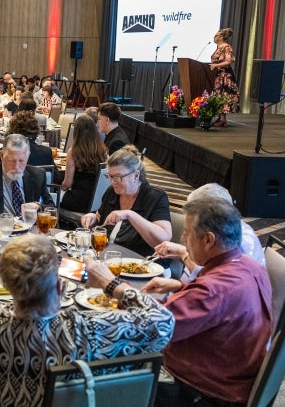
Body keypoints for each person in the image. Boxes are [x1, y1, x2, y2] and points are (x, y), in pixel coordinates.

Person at [0, 234, 174, 406]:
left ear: (6, 286)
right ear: (59, 287)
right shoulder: (85, 331)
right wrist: (110, 282)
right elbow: (164, 321)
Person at [142, 199, 271, 406]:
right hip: (236, 376)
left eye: (187, 232)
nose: (183, 238)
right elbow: (222, 308)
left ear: (208, 240)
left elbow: (152, 328)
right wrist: (181, 287)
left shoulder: (214, 288)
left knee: (107, 382)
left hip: (205, 392)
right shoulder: (249, 264)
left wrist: (114, 287)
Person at [151, 183, 265, 282]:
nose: (182, 238)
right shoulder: (223, 230)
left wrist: (183, 253)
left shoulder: (236, 244)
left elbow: (208, 280)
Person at [81, 145, 171, 257]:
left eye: (118, 177)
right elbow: (100, 217)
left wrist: (130, 215)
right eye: (110, 176)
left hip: (143, 264)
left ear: (136, 176)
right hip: (110, 258)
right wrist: (92, 217)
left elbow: (164, 238)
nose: (113, 182)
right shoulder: (113, 192)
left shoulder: (155, 197)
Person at [60, 114, 107, 212]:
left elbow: (67, 184)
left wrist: (58, 188)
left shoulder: (73, 152)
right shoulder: (103, 150)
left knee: (53, 199)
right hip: (96, 201)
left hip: (77, 201)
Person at [210, 27, 240, 126]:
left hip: (225, 76)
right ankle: (221, 118)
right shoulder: (219, 48)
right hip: (218, 75)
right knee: (219, 96)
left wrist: (216, 65)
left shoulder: (226, 47)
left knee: (224, 95)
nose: (214, 37)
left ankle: (222, 119)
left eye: (216, 35)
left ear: (221, 37)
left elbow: (229, 60)